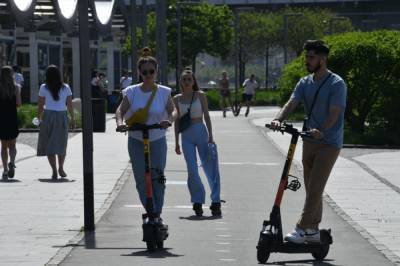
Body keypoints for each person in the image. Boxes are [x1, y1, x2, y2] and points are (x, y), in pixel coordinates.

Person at [270, 40, 347, 244]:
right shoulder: (305, 82)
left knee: (315, 188)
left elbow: (335, 112)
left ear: (323, 59)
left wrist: (322, 130)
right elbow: (292, 102)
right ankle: (313, 230)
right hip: (309, 140)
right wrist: (278, 119)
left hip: (329, 142)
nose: (308, 61)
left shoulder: (336, 84)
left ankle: (301, 228)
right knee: (312, 187)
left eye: (311, 57)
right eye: (307, 57)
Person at [116, 48, 177, 224]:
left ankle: (157, 213)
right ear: (139, 73)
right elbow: (120, 110)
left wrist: (169, 121)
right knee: (141, 178)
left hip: (157, 138)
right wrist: (120, 123)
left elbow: (173, 111)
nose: (148, 75)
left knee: (157, 177)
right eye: (145, 72)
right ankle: (150, 211)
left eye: (152, 71)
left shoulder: (164, 92)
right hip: (136, 138)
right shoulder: (132, 91)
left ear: (157, 71)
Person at [174, 68, 222, 216]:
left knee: (210, 166)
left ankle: (215, 201)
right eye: (184, 79)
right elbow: (176, 122)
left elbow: (206, 116)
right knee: (192, 170)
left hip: (201, 131)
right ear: (181, 82)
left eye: (190, 79)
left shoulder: (200, 95)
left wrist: (211, 136)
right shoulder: (176, 99)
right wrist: (176, 142)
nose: (187, 82)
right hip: (186, 136)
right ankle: (197, 200)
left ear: (194, 81)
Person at [37, 65, 75, 180]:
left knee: (49, 144)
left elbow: (40, 105)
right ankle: (61, 168)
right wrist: (73, 118)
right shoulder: (66, 87)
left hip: (48, 116)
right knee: (62, 143)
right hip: (62, 116)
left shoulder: (43, 87)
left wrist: (38, 118)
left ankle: (54, 170)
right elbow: (70, 105)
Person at [0, 66, 21, 180]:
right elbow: (18, 103)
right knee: (12, 145)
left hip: (1, 118)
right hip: (12, 117)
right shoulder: (16, 87)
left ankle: (5, 171)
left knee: (3, 146)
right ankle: (12, 162)